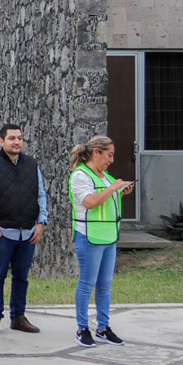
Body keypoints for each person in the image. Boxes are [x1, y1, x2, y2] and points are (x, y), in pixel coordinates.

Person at [0, 124, 47, 336]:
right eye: (12, 138)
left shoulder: (32, 164)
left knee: (21, 277)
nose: (17, 142)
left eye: (20, 138)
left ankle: (18, 317)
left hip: (27, 233)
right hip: (2, 233)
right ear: (1, 141)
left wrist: (41, 222)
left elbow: (41, 194)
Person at [68, 135, 133, 349]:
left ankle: (103, 328)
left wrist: (121, 192)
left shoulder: (105, 177)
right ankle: (82, 329)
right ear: (96, 152)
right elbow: (89, 202)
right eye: (109, 155)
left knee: (105, 285)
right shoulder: (80, 176)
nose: (111, 161)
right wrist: (113, 188)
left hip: (108, 237)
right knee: (87, 284)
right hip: (89, 237)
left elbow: (105, 201)